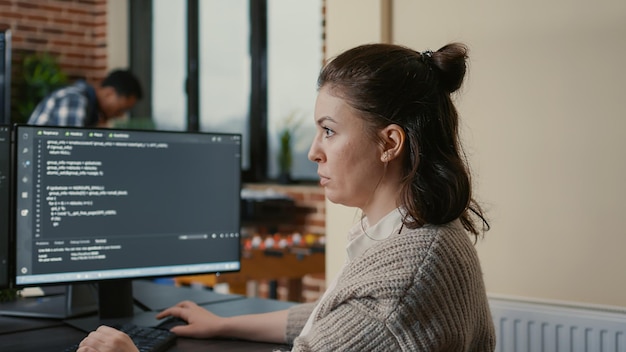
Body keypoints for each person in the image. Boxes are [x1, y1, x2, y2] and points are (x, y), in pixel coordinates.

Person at [77, 42, 496, 352]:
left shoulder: (396, 294)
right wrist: (221, 324)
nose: (313, 151)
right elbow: (334, 320)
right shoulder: (424, 229)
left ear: (389, 143)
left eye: (329, 131)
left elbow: (364, 322)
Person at [27, 69, 143, 127]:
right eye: (120, 110)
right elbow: (70, 150)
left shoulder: (90, 109)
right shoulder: (75, 99)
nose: (120, 116)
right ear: (109, 93)